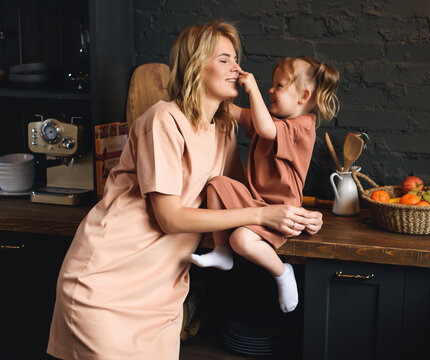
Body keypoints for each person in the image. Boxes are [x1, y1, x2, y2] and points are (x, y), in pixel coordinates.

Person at [46, 21, 323, 360]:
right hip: (106, 284)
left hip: (163, 295)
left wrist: (298, 213)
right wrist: (264, 214)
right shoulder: (162, 120)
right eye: (224, 59)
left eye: (236, 58)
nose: (237, 68)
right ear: (194, 66)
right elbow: (170, 218)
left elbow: (242, 199)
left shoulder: (223, 129)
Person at [189, 56, 340, 313]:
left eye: (279, 86)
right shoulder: (269, 118)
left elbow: (267, 129)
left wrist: (253, 90)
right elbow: (232, 111)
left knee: (243, 241)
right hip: (254, 201)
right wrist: (208, 87)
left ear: (303, 96)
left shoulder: (302, 126)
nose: (271, 90)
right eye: (271, 85)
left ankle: (283, 273)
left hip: (281, 211)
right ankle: (221, 250)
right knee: (216, 184)